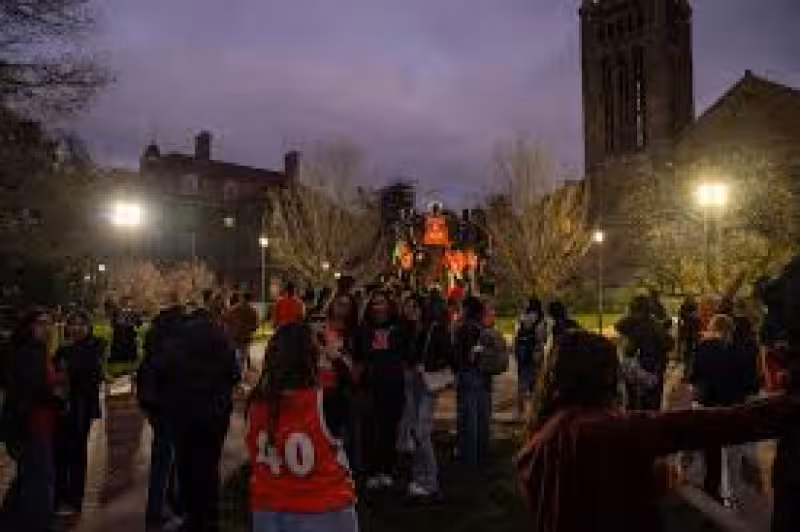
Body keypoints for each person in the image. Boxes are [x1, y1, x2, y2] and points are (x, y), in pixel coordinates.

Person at [516, 330, 800, 532]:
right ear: (604, 375)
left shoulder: (540, 440)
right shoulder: (609, 430)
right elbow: (717, 424)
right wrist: (788, 406)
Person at [246, 323, 357, 532]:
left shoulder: (256, 402)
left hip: (268, 507)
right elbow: (352, 390)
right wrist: (335, 357)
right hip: (323, 507)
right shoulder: (326, 402)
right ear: (311, 357)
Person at [161, 303, 239, 532]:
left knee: (187, 466)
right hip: (215, 414)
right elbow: (234, 375)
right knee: (209, 464)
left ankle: (192, 516)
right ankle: (210, 514)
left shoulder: (177, 342)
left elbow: (164, 372)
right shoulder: (222, 341)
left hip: (184, 414)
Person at [1, 309, 61, 532]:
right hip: (32, 423)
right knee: (41, 477)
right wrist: (56, 397)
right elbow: (34, 389)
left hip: (30, 423)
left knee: (29, 475)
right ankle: (36, 524)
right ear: (29, 326)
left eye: (49, 323)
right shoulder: (30, 352)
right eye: (41, 323)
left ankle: (9, 519)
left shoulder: (31, 350)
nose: (47, 328)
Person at [691, 314, 760, 505]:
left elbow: (693, 377)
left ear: (712, 328)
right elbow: (752, 386)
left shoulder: (701, 348)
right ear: (730, 330)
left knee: (711, 453)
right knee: (732, 455)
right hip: (733, 407)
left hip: (707, 407)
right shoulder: (741, 351)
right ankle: (731, 496)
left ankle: (711, 492)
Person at [138, 297, 186, 530]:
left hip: (153, 404)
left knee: (168, 457)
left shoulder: (155, 338)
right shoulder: (174, 344)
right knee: (165, 459)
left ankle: (169, 503)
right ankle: (156, 511)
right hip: (168, 406)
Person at [53, 311, 105, 517]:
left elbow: (87, 371)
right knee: (62, 452)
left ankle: (75, 500)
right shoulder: (64, 348)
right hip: (64, 408)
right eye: (72, 324)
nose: (75, 328)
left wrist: (69, 369)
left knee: (77, 453)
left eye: (80, 324)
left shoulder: (94, 346)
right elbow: (56, 370)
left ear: (87, 326)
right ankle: (61, 496)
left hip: (81, 407)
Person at [353, 289, 404, 490]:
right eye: (374, 303)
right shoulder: (363, 329)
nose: (378, 307)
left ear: (389, 306)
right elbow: (358, 356)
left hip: (392, 386)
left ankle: (387, 469)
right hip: (370, 387)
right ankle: (372, 470)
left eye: (382, 303)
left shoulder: (398, 328)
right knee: (370, 430)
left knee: (389, 428)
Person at [407, 293, 452, 498]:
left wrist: (428, 365)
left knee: (421, 431)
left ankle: (430, 480)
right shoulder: (424, 328)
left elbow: (447, 355)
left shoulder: (437, 329)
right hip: (421, 379)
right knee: (418, 430)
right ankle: (420, 476)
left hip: (428, 380)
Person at [615, 295, 674, 410]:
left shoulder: (628, 323)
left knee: (633, 400)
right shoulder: (654, 324)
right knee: (651, 401)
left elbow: (619, 327)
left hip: (633, 366)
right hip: (652, 366)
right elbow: (668, 344)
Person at [453, 296, 491, 467]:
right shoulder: (482, 327)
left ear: (467, 309)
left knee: (469, 418)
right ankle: (482, 453)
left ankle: (469, 458)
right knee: (481, 415)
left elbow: (467, 355)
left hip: (468, 374)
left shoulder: (465, 328)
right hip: (482, 374)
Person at [513, 297, 547, 422]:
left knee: (522, 382)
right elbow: (542, 339)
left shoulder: (522, 318)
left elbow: (516, 336)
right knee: (536, 384)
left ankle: (520, 411)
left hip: (523, 355)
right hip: (536, 355)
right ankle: (535, 411)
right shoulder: (541, 321)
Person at [225, 292, 259, 374]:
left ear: (242, 298)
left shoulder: (233, 309)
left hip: (235, 336)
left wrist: (231, 329)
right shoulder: (253, 311)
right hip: (245, 337)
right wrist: (249, 329)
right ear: (250, 299)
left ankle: (234, 374)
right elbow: (255, 326)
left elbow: (226, 320)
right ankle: (239, 375)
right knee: (242, 358)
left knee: (235, 356)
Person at [109, 297, 141, 363]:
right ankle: (118, 357)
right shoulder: (117, 312)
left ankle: (129, 357)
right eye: (124, 303)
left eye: (127, 303)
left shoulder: (133, 312)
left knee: (129, 342)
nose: (126, 304)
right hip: (119, 331)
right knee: (118, 342)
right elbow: (113, 322)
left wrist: (135, 322)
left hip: (129, 330)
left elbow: (139, 322)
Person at [677, 296, 701, 372]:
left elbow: (680, 319)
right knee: (690, 353)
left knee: (688, 353)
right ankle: (689, 370)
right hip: (690, 334)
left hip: (688, 333)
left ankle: (688, 370)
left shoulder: (684, 309)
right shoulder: (694, 311)